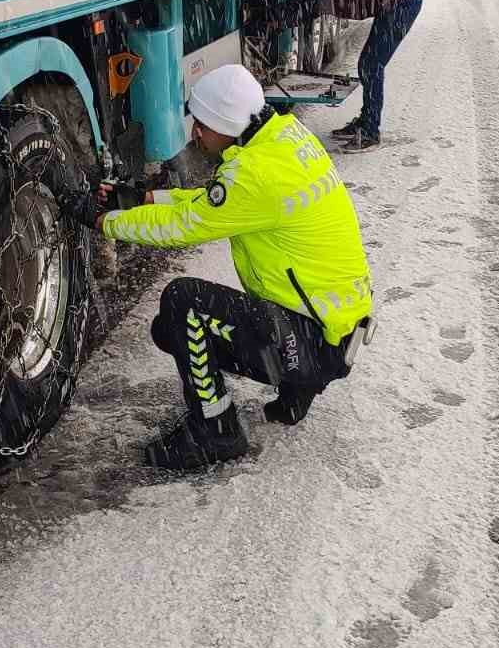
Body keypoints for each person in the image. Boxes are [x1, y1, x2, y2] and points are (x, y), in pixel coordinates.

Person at [60, 65, 374, 472]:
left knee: (181, 306)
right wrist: (143, 198)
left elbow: (187, 224)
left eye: (202, 124)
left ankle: (216, 430)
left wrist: (104, 221)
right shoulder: (282, 140)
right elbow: (212, 202)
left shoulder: (253, 175)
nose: (195, 134)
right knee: (174, 327)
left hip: (310, 343)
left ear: (226, 123)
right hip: (336, 331)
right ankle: (298, 389)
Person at [310, 0, 423, 149]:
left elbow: (351, 7)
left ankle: (370, 132)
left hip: (403, 0)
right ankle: (365, 122)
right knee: (368, 64)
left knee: (371, 64)